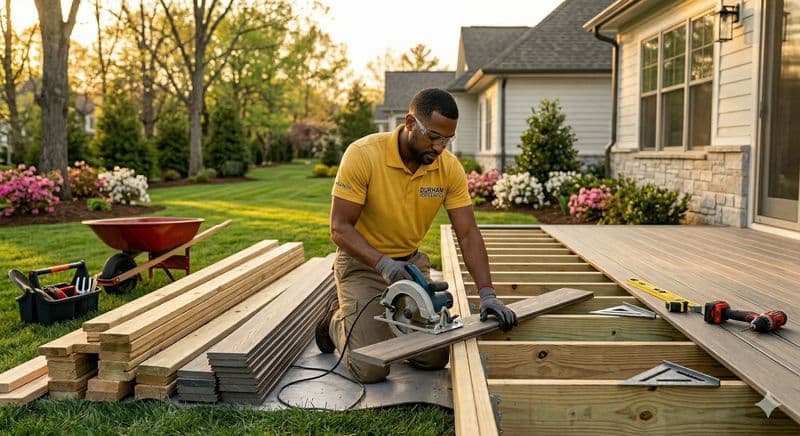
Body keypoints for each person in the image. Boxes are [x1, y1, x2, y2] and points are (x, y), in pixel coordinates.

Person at [316, 88, 518, 383]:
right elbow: (340, 228)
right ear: (410, 122)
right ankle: (336, 319)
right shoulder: (363, 154)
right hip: (363, 265)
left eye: (447, 140)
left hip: (410, 267)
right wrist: (383, 264)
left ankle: (381, 324)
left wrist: (487, 293)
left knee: (434, 358)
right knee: (370, 369)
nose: (440, 147)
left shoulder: (448, 168)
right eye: (433, 137)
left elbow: (468, 233)